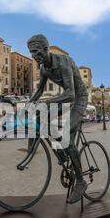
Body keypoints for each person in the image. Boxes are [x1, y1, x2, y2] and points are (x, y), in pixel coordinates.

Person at [27, 34, 89, 204]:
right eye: (31, 52)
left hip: (79, 97)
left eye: (36, 52)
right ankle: (60, 151)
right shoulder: (43, 68)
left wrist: (46, 102)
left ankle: (81, 182)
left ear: (46, 49)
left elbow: (71, 93)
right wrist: (28, 104)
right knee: (41, 115)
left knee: (67, 135)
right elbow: (39, 91)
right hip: (66, 97)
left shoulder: (64, 62)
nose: (33, 56)